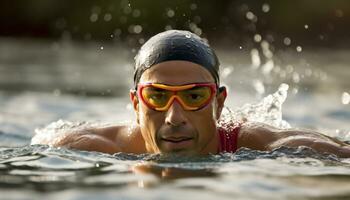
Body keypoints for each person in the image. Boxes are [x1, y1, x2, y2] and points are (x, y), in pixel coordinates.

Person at [36, 30, 350, 157]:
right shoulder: (90, 147)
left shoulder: (261, 145)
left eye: (195, 96)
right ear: (135, 103)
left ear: (219, 103)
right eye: (157, 96)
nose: (175, 117)